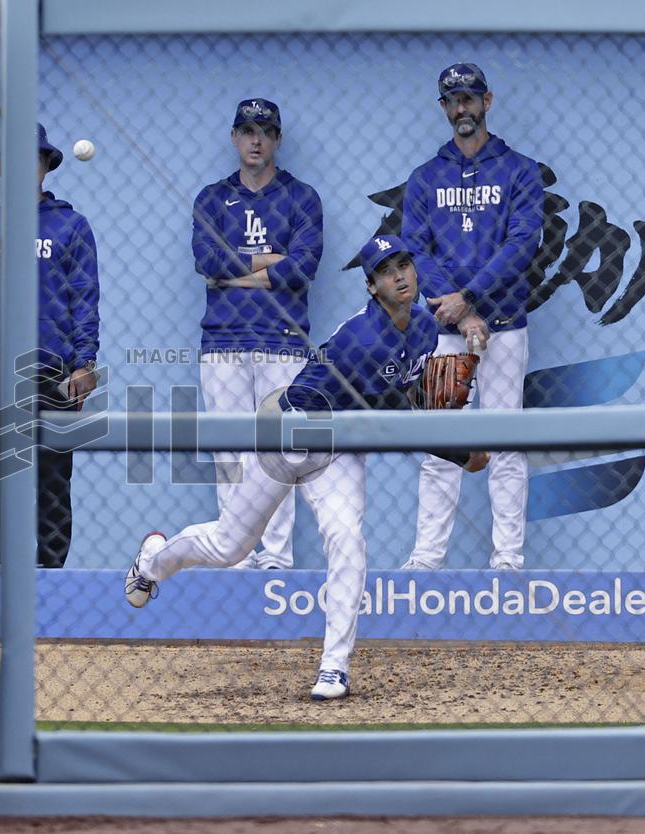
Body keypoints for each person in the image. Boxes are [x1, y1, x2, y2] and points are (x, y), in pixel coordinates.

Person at [125, 235, 489, 700]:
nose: (399, 276)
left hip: (339, 447)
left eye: (404, 265)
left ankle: (334, 667)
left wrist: (456, 436)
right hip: (291, 434)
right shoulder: (364, 340)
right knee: (230, 546)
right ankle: (152, 562)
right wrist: (462, 452)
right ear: (372, 286)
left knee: (347, 539)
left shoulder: (422, 329)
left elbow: (407, 399)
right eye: (385, 271)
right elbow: (402, 417)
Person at [400, 63, 543, 571]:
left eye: (470, 97)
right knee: (442, 447)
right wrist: (459, 315)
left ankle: (508, 560)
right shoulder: (425, 178)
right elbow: (416, 250)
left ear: (488, 100)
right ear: (443, 107)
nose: (462, 107)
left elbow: (523, 242)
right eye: (453, 100)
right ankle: (425, 562)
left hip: (504, 329)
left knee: (507, 444)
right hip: (445, 336)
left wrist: (472, 297)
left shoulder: (519, 170)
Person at [191, 98, 324, 570]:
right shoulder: (212, 198)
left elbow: (303, 267)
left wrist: (235, 272)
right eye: (247, 130)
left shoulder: (301, 198)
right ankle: (235, 554)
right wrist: (272, 260)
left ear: (277, 139)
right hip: (223, 341)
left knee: (277, 451)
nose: (255, 139)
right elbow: (207, 262)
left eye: (264, 131)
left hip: (283, 339)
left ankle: (275, 556)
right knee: (229, 449)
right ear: (233, 137)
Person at [0, 124, 100, 567]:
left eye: (33, 159)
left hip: (52, 370)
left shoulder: (70, 226)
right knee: (3, 476)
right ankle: (10, 571)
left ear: (45, 166)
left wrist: (85, 361)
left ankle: (51, 575)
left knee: (54, 476)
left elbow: (85, 295)